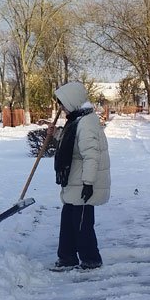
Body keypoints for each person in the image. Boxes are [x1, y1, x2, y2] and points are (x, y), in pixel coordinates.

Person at [51, 81, 111, 271]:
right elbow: (74, 145)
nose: (61, 107)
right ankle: (67, 257)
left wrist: (88, 183)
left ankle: (91, 259)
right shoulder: (77, 120)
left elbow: (91, 155)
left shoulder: (86, 123)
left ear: (72, 101)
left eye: (62, 103)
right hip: (74, 180)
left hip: (84, 181)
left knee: (82, 224)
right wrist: (57, 135)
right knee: (68, 221)